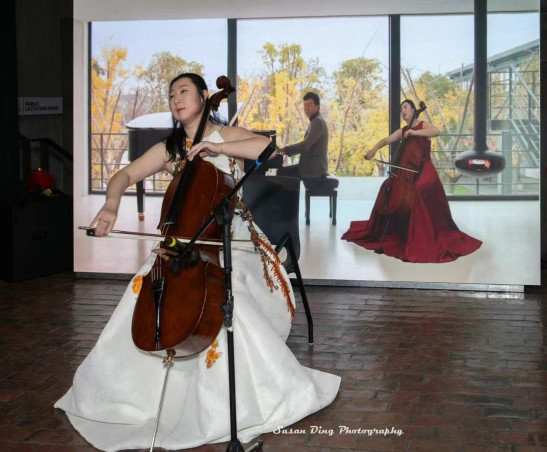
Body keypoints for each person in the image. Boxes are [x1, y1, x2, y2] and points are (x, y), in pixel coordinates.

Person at [55, 73, 340, 451]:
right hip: (184, 243)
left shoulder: (226, 135)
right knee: (146, 293)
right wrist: (110, 204)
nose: (175, 98)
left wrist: (216, 147)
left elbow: (270, 150)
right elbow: (124, 175)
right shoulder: (171, 147)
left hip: (230, 241)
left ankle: (230, 407)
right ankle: (136, 396)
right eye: (171, 93)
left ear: (206, 97)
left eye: (183, 91)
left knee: (229, 299)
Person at [341, 99, 482, 263]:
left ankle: (420, 236)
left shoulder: (422, 125)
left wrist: (414, 133)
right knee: (387, 186)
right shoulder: (403, 131)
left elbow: (436, 131)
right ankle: (390, 229)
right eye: (401, 109)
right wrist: (373, 150)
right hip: (407, 171)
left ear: (414, 110)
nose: (402, 111)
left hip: (424, 168)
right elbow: (386, 140)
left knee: (418, 189)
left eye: (405, 107)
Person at [277, 92, 330, 188]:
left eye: (310, 105)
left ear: (317, 106)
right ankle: (290, 202)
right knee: (283, 172)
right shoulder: (316, 120)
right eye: (305, 105)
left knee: (281, 172)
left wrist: (286, 150)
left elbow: (305, 145)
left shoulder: (317, 122)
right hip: (313, 167)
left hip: (314, 170)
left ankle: (288, 202)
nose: (306, 108)